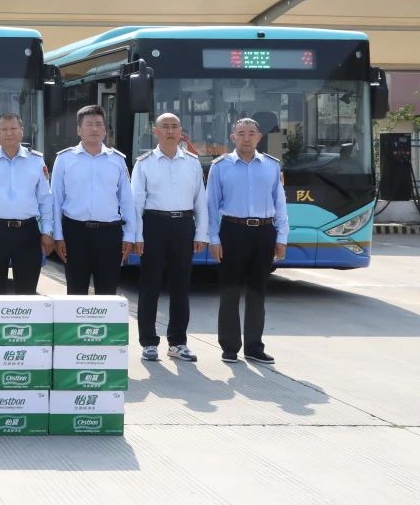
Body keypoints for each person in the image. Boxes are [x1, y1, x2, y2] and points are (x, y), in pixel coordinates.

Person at [207, 117, 288, 364]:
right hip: (233, 231)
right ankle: (230, 346)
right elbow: (211, 206)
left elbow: (280, 204)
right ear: (233, 137)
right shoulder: (220, 166)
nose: (246, 138)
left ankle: (254, 347)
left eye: (251, 133)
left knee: (257, 291)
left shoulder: (271, 166)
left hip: (264, 232)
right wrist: (213, 239)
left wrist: (282, 237)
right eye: (241, 133)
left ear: (259, 137)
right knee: (230, 291)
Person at [131, 113, 208, 362]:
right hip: (154, 224)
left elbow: (200, 200)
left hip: (183, 225)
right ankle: (148, 343)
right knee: (150, 285)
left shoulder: (192, 162)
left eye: (175, 126)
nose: (170, 131)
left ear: (181, 131)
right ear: (155, 131)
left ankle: (178, 342)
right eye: (165, 126)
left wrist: (202, 233)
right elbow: (136, 203)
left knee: (180, 286)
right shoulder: (144, 163)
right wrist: (136, 235)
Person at [51, 104, 135, 295]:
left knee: (107, 292)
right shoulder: (64, 159)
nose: (95, 129)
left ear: (105, 130)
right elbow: (55, 199)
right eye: (89, 124)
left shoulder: (117, 160)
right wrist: (58, 235)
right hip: (75, 233)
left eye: (99, 124)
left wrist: (130, 235)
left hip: (109, 234)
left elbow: (127, 201)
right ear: (79, 130)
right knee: (76, 292)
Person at [0, 112, 54, 294]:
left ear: (22, 131)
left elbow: (45, 199)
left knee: (27, 291)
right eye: (4, 129)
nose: (9, 133)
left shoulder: (36, 160)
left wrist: (47, 231)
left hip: (27, 232)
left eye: (13, 128)